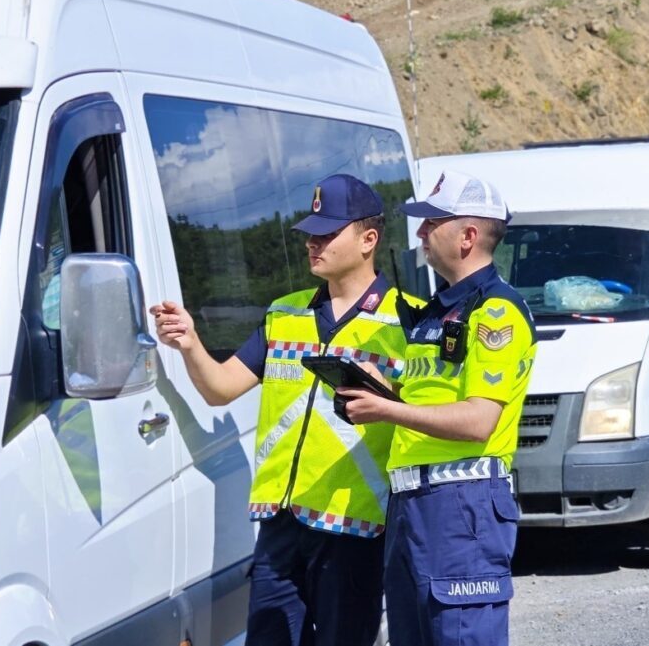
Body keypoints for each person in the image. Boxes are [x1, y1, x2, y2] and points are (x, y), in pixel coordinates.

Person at [150, 173, 417, 646]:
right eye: (310, 233)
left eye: (328, 232)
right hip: (281, 521)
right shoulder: (284, 314)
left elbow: (427, 423)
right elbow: (220, 389)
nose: (313, 243)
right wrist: (190, 344)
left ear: (368, 239)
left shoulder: (409, 321)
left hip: (354, 525)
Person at [339, 170, 537, 646]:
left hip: (462, 506)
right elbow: (424, 397)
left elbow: (478, 420)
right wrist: (379, 387)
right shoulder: (436, 313)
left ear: (468, 236)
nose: (421, 234)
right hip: (411, 505)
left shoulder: (496, 312)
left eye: (432, 223)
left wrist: (388, 412)